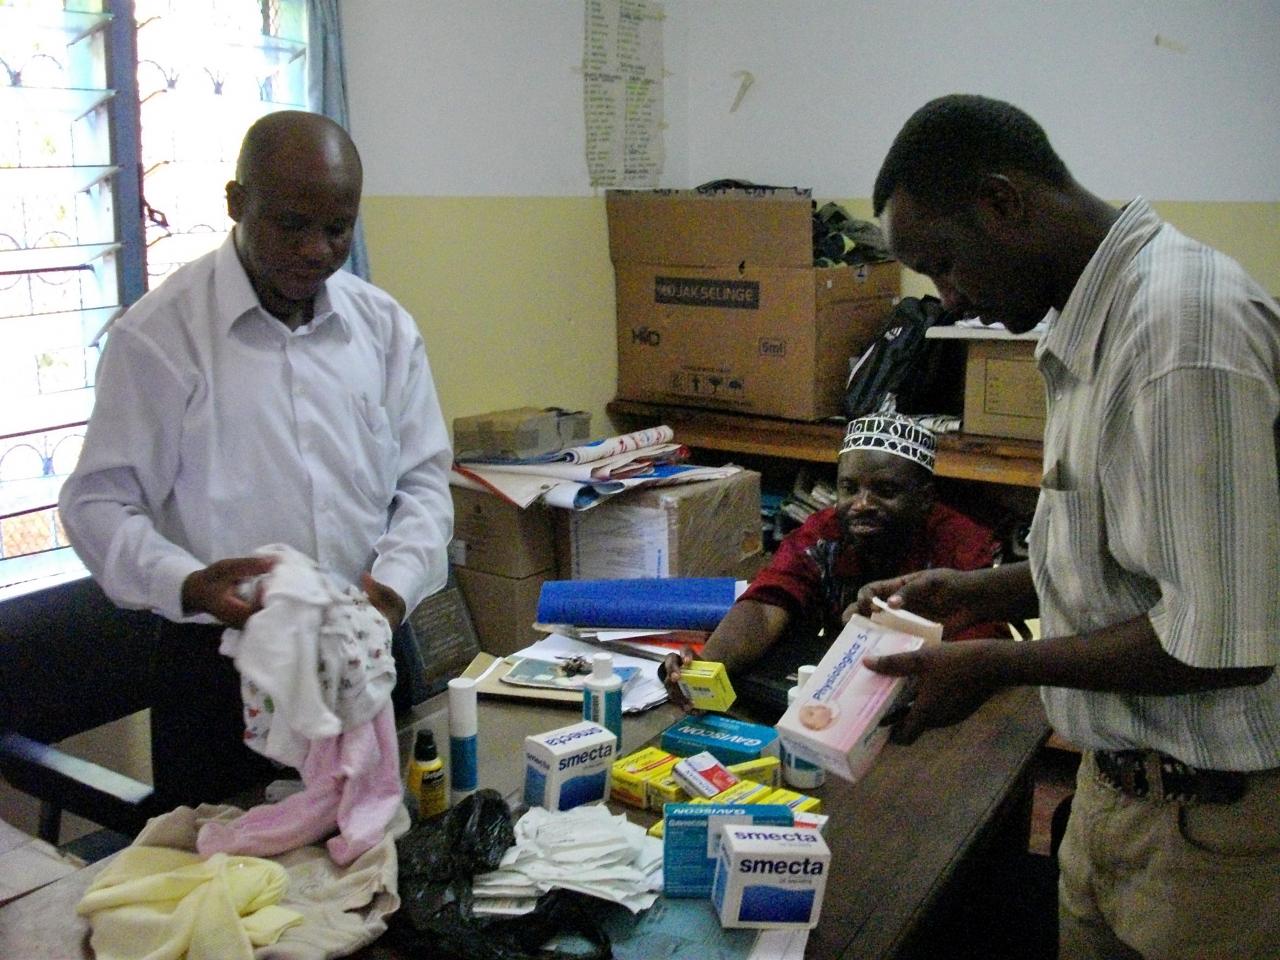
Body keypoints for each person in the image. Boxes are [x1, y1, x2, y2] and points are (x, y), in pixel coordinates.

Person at [859, 94, 1280, 960]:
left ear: (1003, 202)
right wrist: (975, 591)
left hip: (1215, 836)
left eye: (945, 264)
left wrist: (997, 665)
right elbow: (1131, 556)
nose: (948, 298)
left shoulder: (1179, 331)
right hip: (1114, 797)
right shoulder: (1095, 323)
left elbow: (1223, 643)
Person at [59, 111, 453, 809]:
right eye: (292, 224)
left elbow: (423, 481)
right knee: (228, 865)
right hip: (222, 674)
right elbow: (96, 505)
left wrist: (392, 590)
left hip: (366, 644)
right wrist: (187, 584)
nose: (315, 250)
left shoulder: (383, 327)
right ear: (237, 202)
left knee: (381, 848)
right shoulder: (160, 336)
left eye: (338, 229)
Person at [662, 413, 1008, 707]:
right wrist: (705, 665)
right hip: (838, 695)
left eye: (885, 491)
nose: (862, 504)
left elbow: (975, 653)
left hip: (934, 705)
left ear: (924, 498)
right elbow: (768, 605)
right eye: (849, 488)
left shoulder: (961, 545)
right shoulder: (823, 534)